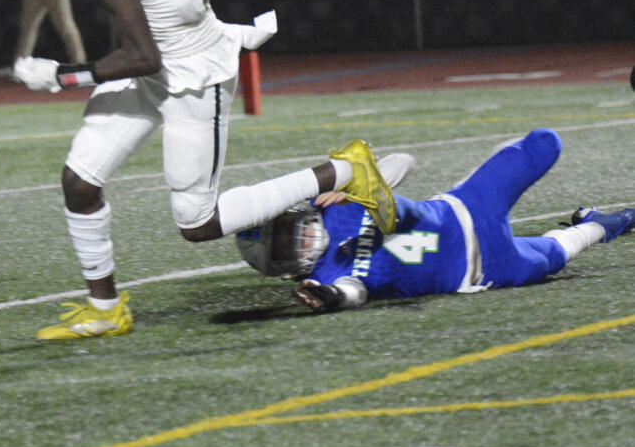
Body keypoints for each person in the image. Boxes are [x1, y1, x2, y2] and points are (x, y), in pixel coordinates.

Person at [11, 0, 398, 339]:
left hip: (191, 73)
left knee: (198, 223)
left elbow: (143, 56)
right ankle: (105, 310)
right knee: (80, 182)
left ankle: (344, 170)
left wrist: (59, 76)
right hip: (157, 60)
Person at [234, 128, 635, 313]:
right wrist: (331, 299)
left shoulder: (330, 205)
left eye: (288, 234)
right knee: (558, 253)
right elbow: (353, 291)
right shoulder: (326, 275)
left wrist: (359, 184)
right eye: (286, 251)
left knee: (545, 143)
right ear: (280, 269)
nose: (297, 244)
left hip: (466, 209)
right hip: (484, 270)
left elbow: (402, 161)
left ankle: (414, 195)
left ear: (292, 215)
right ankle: (603, 224)